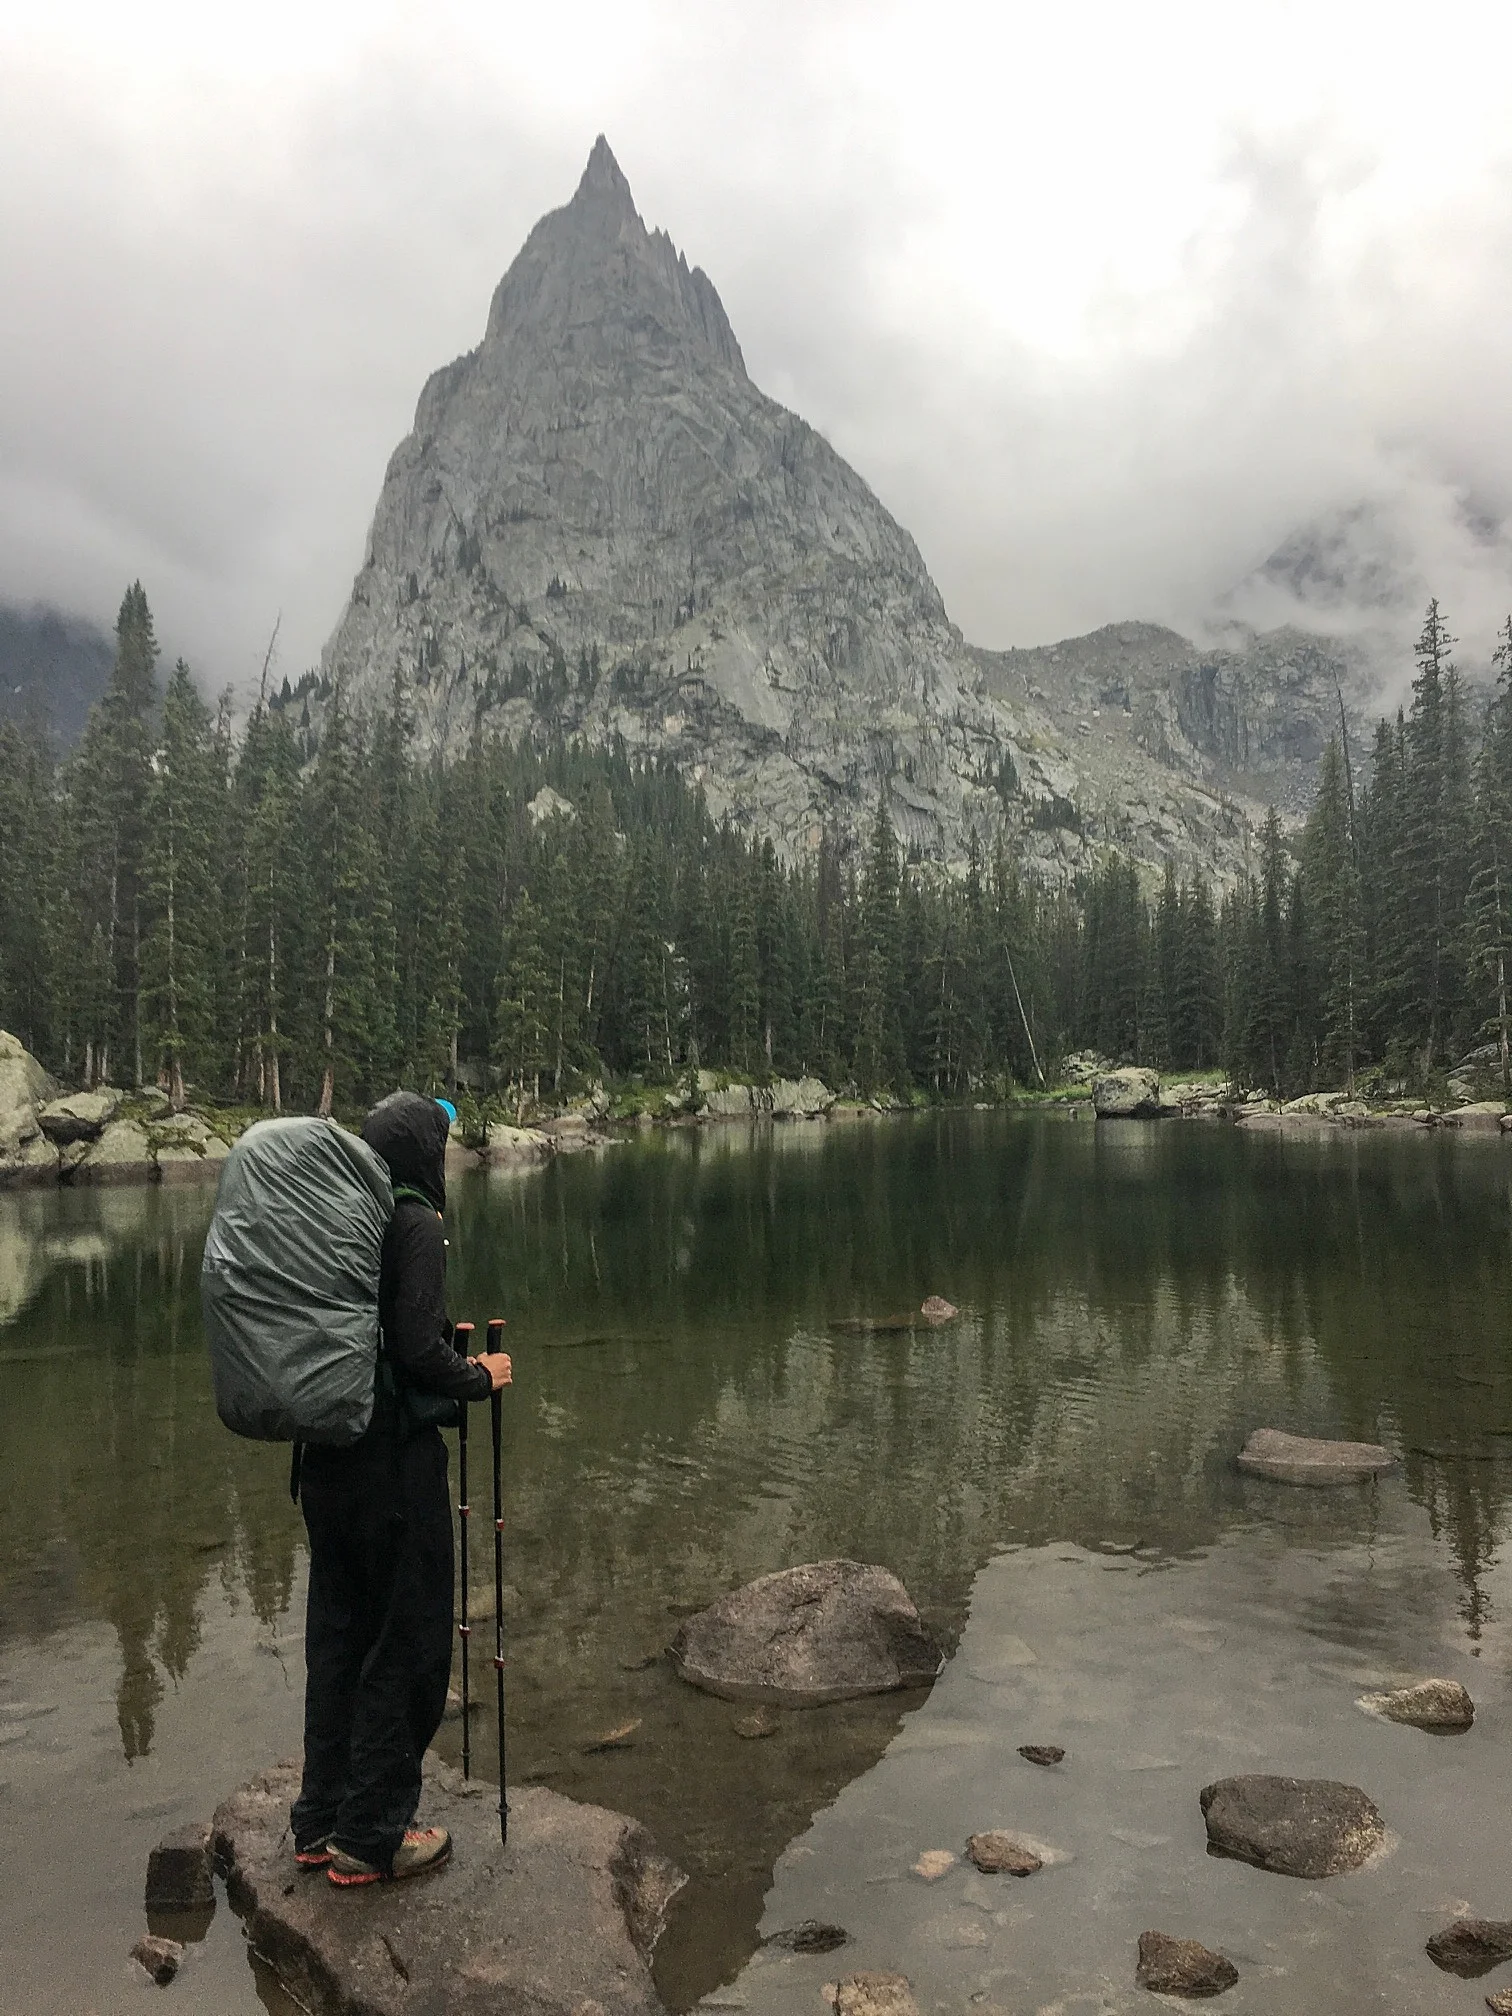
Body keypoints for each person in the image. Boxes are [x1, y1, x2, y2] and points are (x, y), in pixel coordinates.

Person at [289, 1091, 511, 1887]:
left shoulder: (338, 1217)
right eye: (439, 1143)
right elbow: (417, 1348)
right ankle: (372, 1837)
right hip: (389, 1468)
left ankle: (320, 1821)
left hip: (323, 1459)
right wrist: (479, 1376)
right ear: (423, 1153)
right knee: (409, 1640)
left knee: (340, 1637)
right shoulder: (413, 1221)